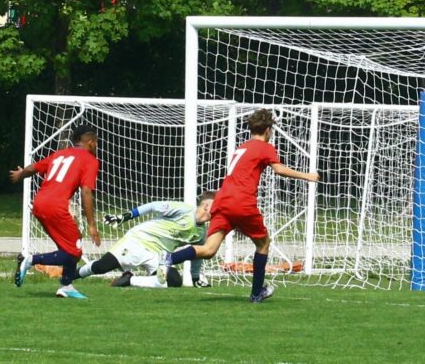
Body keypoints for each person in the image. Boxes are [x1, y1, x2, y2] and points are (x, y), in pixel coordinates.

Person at [160, 109, 320, 302]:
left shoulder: (242, 147)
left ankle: (168, 260)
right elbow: (278, 169)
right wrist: (308, 176)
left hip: (222, 201)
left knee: (209, 250)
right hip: (241, 202)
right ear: (268, 130)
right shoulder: (264, 147)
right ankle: (256, 293)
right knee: (263, 244)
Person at [10, 124, 101, 299]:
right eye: (96, 142)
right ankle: (30, 260)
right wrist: (91, 224)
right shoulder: (90, 160)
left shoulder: (60, 154)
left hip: (39, 203)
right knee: (75, 251)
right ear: (90, 142)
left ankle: (66, 286)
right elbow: (86, 192)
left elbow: (32, 168)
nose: (96, 145)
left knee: (67, 247)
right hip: (55, 206)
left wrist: (20, 175)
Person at [75, 191, 216, 288]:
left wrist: (196, 278)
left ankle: (129, 280)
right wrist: (126, 216)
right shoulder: (184, 210)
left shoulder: (201, 233)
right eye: (217, 205)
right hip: (138, 240)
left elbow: (198, 254)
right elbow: (153, 206)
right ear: (206, 206)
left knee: (173, 280)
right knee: (101, 267)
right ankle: (71, 274)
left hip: (158, 255)